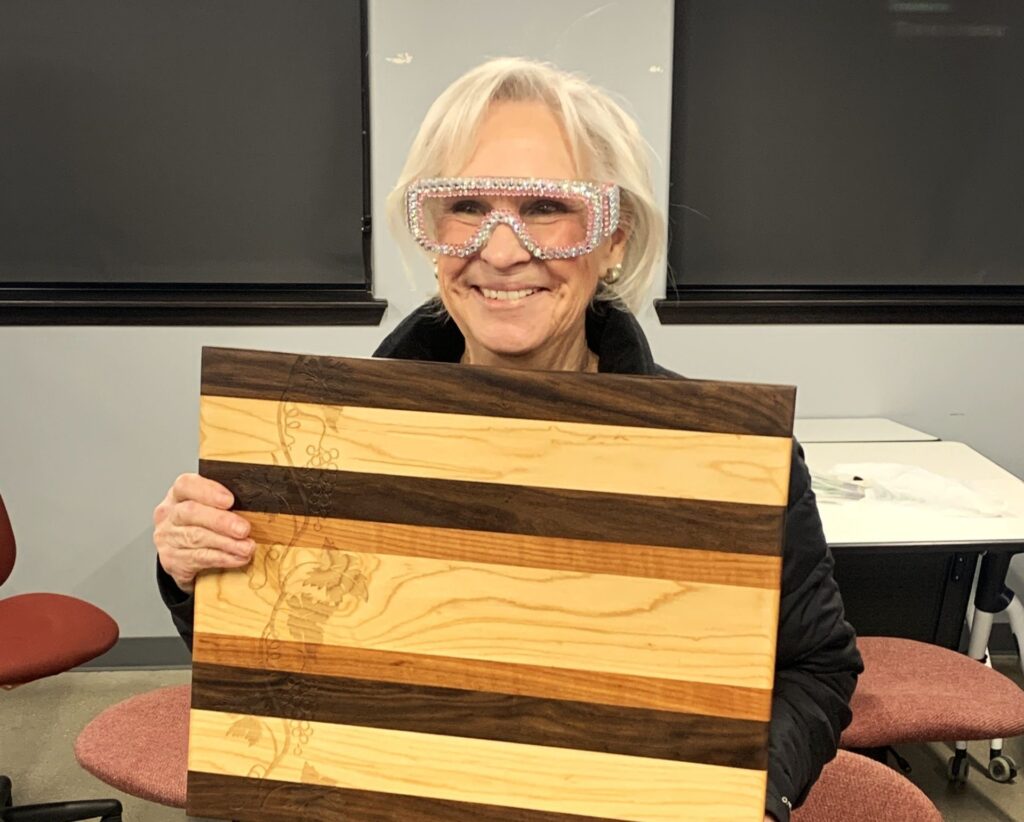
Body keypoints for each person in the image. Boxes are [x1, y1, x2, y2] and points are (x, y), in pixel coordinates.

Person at [154, 57, 862, 822]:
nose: (499, 250)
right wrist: (195, 573)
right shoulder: (325, 446)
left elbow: (817, 668)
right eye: (465, 206)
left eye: (545, 207)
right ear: (430, 233)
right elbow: (285, 669)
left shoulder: (724, 465)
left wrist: (750, 797)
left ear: (614, 236)